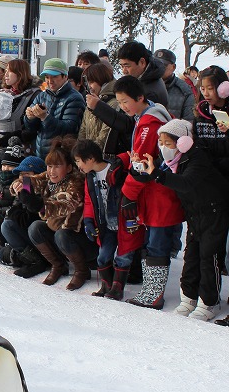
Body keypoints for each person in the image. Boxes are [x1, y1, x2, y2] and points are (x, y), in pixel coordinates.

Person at [135, 119, 229, 322]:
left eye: (167, 143)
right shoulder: (172, 162)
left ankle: (210, 302)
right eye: (160, 142)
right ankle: (188, 298)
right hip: (195, 213)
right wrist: (142, 171)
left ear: (183, 142)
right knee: (192, 256)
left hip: (214, 211)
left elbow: (185, 183)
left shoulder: (197, 158)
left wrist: (156, 174)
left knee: (209, 256)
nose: (163, 147)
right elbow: (158, 176)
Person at [113, 75, 183, 309]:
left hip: (158, 194)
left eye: (125, 102)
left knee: (156, 243)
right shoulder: (152, 115)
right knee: (155, 241)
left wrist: (128, 194)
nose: (122, 107)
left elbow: (142, 165)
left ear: (140, 98)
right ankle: (151, 291)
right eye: (119, 102)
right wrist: (123, 158)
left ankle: (154, 294)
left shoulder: (149, 124)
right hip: (160, 191)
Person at [15, 137, 96, 290]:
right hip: (61, 236)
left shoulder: (76, 183)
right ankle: (58, 265)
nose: (51, 171)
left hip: (82, 239)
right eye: (49, 166)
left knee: (62, 234)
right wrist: (23, 189)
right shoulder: (49, 176)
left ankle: (82, 270)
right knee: (35, 227)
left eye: (57, 166)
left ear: (70, 167)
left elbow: (64, 205)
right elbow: (27, 179)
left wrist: (39, 205)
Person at [74, 139, 140, 300]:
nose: (78, 166)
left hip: (125, 221)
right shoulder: (90, 177)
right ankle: (107, 285)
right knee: (103, 256)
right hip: (105, 224)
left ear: (90, 158)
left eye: (78, 161)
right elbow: (89, 200)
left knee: (124, 255)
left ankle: (118, 288)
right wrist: (89, 221)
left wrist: (133, 218)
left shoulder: (117, 169)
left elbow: (128, 161)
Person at [23, 58, 86, 160]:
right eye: (47, 77)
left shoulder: (74, 98)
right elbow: (31, 128)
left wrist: (45, 117)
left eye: (54, 77)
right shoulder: (41, 95)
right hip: (41, 154)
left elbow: (70, 129)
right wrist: (29, 117)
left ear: (65, 77)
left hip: (62, 157)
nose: (50, 81)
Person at [0, 58, 41, 147]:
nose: (6, 74)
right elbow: (0, 123)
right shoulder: (4, 93)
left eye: (10, 71)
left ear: (20, 73)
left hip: (21, 150)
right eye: (6, 70)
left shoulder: (34, 95)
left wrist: (16, 135)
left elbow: (33, 128)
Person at [79, 62, 131, 157]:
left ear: (101, 79)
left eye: (92, 82)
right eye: (87, 83)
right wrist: (79, 152)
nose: (89, 86)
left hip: (102, 159)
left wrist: (88, 155)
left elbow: (105, 136)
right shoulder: (91, 100)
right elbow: (83, 130)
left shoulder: (115, 102)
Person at [117, 41, 168, 106]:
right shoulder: (148, 79)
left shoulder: (149, 92)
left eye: (127, 66)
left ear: (142, 62)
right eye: (122, 66)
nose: (124, 71)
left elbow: (131, 115)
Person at [153, 49, 195, 123]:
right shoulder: (144, 85)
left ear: (173, 67)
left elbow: (188, 122)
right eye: (156, 65)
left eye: (163, 65)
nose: (159, 68)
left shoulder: (184, 90)